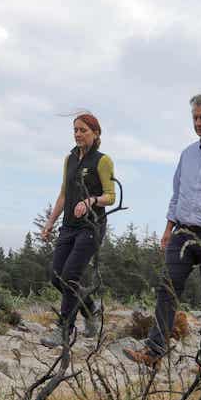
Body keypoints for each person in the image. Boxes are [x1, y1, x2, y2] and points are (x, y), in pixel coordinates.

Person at [124, 91, 201, 367]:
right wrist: (169, 229)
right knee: (166, 289)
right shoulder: (187, 155)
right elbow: (177, 194)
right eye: (195, 118)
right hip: (182, 232)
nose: (199, 123)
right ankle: (154, 352)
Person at [40, 113, 116, 347]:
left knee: (71, 275)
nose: (78, 134)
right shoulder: (70, 159)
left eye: (83, 130)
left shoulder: (103, 161)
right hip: (69, 226)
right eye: (75, 130)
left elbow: (110, 197)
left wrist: (91, 201)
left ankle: (64, 330)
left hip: (91, 227)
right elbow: (64, 193)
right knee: (56, 276)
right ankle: (91, 309)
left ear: (96, 133)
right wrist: (51, 222)